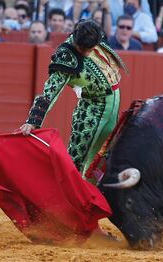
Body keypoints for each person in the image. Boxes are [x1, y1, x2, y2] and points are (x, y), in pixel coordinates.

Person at [20, 19, 127, 177]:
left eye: (89, 49)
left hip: (114, 101)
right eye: (82, 48)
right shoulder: (66, 56)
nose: (85, 53)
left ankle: (95, 195)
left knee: (105, 155)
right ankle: (72, 197)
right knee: (77, 157)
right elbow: (51, 90)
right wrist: (33, 120)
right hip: (93, 107)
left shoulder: (94, 32)